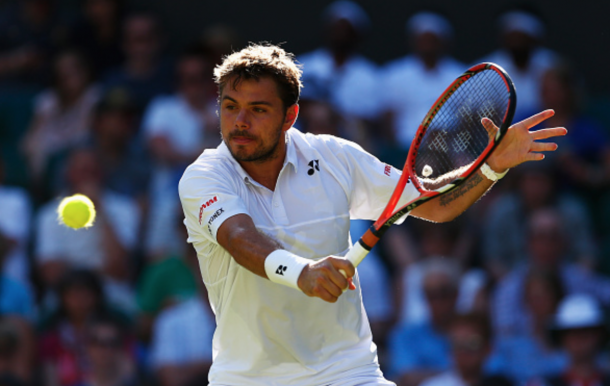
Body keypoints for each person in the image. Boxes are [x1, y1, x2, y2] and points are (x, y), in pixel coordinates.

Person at [178, 43, 565, 385]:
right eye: (230, 107)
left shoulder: (335, 157)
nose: (239, 122)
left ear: (289, 117)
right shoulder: (204, 176)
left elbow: (432, 205)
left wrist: (492, 166)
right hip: (248, 378)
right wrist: (303, 274)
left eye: (257, 109)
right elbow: (238, 238)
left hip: (347, 372)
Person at [419, 313, 513, 386]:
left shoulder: (501, 383)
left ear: (488, 349)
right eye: (457, 343)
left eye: (472, 343)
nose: (463, 350)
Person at [537, 294, 610, 386]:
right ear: (561, 338)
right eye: (572, 333)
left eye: (585, 331)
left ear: (599, 335)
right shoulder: (544, 383)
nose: (579, 339)